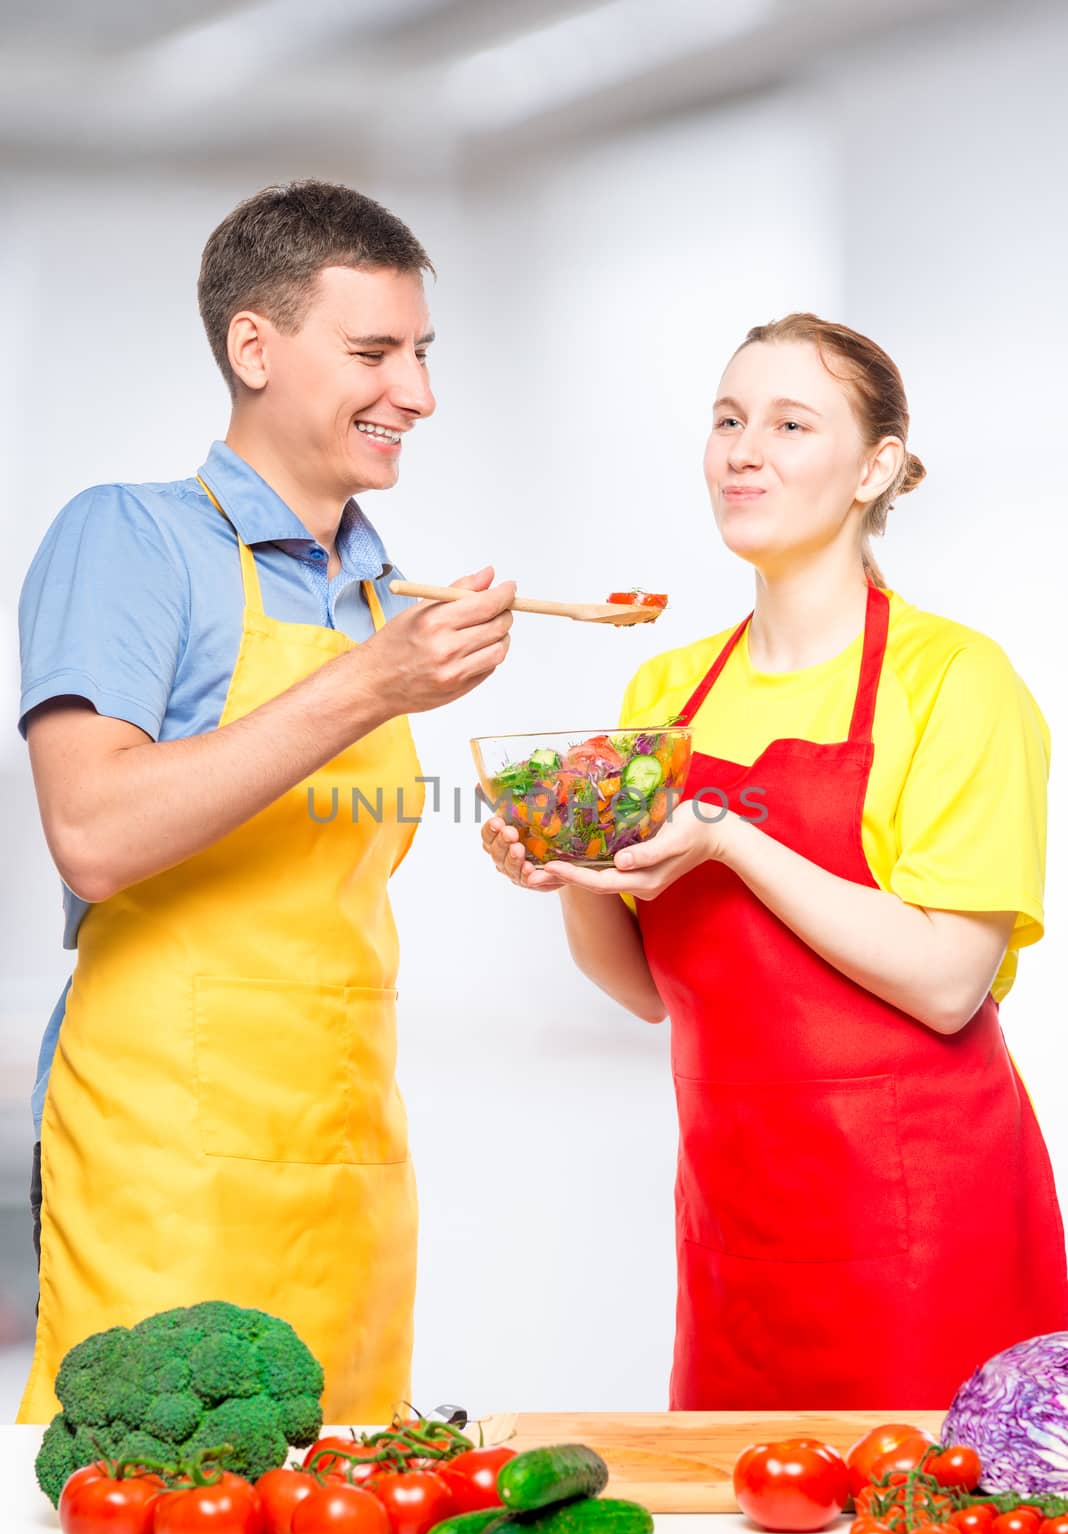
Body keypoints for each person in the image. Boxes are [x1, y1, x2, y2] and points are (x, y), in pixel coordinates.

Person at [482, 312, 1068, 1409]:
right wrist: (567, 872)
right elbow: (645, 989)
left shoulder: (955, 680)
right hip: (737, 1230)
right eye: (727, 419)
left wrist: (733, 839)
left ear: (875, 467)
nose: (743, 450)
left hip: (921, 1225)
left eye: (791, 423)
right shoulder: (665, 692)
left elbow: (949, 984)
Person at [17, 180, 515, 1423]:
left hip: (350, 1165)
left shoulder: (379, 598)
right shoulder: (128, 539)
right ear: (254, 345)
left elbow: (322, 860)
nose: (419, 393)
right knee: (159, 1507)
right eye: (373, 353)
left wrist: (516, 832)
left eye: (422, 353)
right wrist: (368, 688)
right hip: (168, 1167)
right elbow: (93, 834)